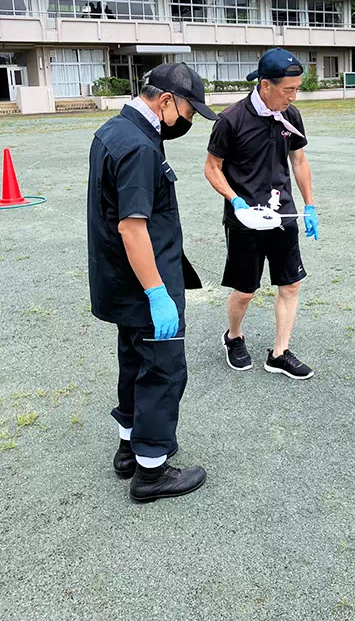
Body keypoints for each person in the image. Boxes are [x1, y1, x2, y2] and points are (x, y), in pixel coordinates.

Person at [87, 63, 217, 503]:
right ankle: (151, 471)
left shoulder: (111, 131)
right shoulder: (140, 147)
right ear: (165, 101)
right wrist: (159, 293)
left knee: (133, 362)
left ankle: (128, 450)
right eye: (188, 111)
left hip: (122, 281)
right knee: (162, 371)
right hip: (147, 283)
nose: (190, 120)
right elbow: (133, 226)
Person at [204, 48, 319, 380]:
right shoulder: (232, 119)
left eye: (297, 89)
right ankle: (234, 337)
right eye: (288, 90)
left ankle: (279, 353)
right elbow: (212, 168)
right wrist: (235, 200)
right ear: (265, 85)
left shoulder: (291, 116)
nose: (293, 96)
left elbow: (299, 160)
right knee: (245, 290)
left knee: (291, 284)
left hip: (282, 216)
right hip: (246, 219)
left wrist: (309, 204)